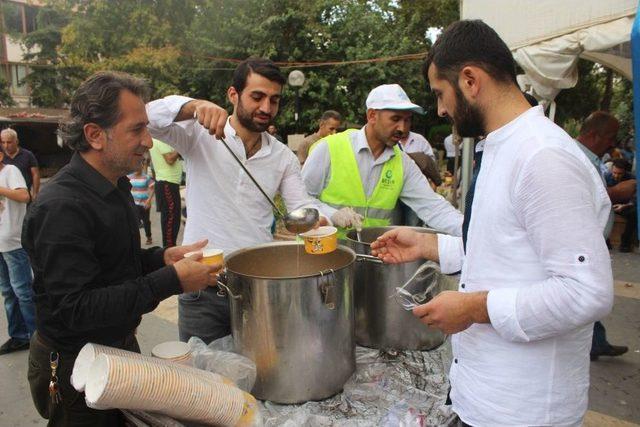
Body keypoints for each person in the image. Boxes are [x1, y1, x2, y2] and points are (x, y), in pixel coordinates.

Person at [370, 20, 613, 426]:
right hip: (483, 397)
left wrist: (472, 308)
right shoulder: (502, 147)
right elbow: (507, 249)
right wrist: (429, 246)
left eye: (440, 94)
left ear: (469, 80)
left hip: (525, 409)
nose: (442, 109)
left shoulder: (543, 157)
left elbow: (586, 292)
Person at [23, 71, 219, 426]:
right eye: (136, 130)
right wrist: (171, 280)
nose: (148, 140)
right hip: (75, 367)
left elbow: (114, 264)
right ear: (95, 135)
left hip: (118, 349)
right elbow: (77, 308)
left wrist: (160, 258)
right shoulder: (62, 206)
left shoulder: (117, 186)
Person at [146, 57, 327, 344]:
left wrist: (321, 218)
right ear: (233, 95)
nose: (266, 108)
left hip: (258, 288)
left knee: (260, 377)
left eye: (274, 100)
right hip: (201, 287)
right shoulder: (199, 134)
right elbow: (147, 117)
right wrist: (194, 106)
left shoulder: (282, 157)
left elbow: (301, 208)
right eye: (257, 97)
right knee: (203, 381)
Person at [301, 83, 462, 238]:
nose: (403, 128)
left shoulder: (403, 163)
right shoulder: (329, 148)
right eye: (395, 119)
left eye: (407, 120)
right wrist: (331, 214)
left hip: (367, 256)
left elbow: (433, 207)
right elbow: (300, 200)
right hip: (322, 255)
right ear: (372, 116)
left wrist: (471, 232)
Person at [574, 112, 631, 360]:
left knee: (590, 298)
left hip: (589, 245)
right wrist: (617, 192)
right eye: (610, 137)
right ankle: (594, 343)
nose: (613, 143)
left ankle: (597, 342)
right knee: (587, 296)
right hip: (580, 247)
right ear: (594, 135)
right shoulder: (574, 157)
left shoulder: (589, 158)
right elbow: (580, 198)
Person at [0, 147, 35, 355]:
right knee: (8, 292)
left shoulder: (10, 171)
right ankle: (18, 336)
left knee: (23, 292)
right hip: (1, 246)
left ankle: (37, 337)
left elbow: (25, 196)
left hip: (13, 243)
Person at [148, 138, 182, 247]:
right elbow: (170, 159)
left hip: (168, 183)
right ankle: (169, 251)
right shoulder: (160, 140)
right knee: (171, 221)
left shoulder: (160, 140)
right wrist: (179, 145)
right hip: (167, 183)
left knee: (172, 219)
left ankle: (169, 249)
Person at [0, 128, 40, 201]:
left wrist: (35, 193)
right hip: (4, 196)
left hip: (23, 193)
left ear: (16, 141)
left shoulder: (28, 155)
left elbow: (35, 174)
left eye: (9, 142)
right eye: (3, 142)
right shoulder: (1, 156)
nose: (5, 146)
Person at [128, 158, 155, 245]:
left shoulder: (146, 177)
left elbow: (152, 188)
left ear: (142, 166)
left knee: (146, 221)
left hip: (144, 204)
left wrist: (149, 200)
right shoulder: (129, 177)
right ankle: (135, 240)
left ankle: (149, 237)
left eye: (139, 166)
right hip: (133, 204)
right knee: (134, 222)